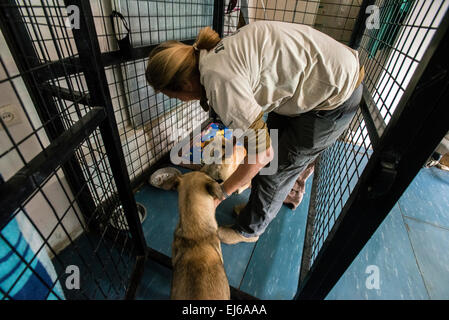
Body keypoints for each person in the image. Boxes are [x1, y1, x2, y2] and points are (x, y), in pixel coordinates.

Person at [146, 21, 364, 245]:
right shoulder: (209, 56)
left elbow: (262, 155)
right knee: (267, 152)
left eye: (174, 97)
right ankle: (256, 208)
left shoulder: (219, 81)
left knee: (275, 169)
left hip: (336, 96)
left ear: (184, 84)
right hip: (319, 78)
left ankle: (249, 231)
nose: (180, 101)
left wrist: (221, 194)